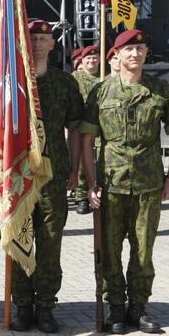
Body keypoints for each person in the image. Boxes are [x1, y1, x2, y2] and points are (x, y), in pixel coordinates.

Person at [0, 19, 83, 333]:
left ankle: (47, 306)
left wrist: (75, 169)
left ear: (53, 44)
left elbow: (76, 129)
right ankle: (23, 306)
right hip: (19, 175)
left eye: (43, 38)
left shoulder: (65, 83)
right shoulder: (12, 82)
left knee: (50, 244)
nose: (37, 43)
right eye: (32, 38)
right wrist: (2, 157)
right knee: (18, 236)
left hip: (53, 175)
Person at [80, 29, 169, 335]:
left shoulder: (160, 91)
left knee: (143, 250)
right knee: (110, 249)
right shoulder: (100, 92)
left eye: (140, 48)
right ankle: (115, 308)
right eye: (129, 50)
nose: (136, 54)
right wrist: (90, 183)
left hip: (148, 184)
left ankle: (137, 308)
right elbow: (87, 140)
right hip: (110, 184)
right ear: (117, 56)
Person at [71, 45, 100, 214]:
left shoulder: (105, 77)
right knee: (82, 160)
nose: (91, 61)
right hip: (81, 124)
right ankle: (81, 196)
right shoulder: (75, 78)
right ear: (82, 60)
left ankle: (96, 191)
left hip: (100, 126)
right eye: (88, 58)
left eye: (94, 58)